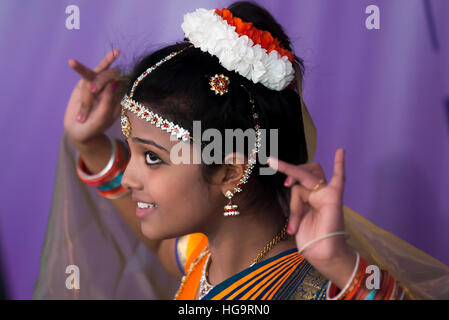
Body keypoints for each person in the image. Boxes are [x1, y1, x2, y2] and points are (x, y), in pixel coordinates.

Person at [34, 2, 449, 300]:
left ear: (232, 171)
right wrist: (89, 143)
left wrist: (340, 264)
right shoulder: (204, 263)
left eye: (153, 158)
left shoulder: (313, 288)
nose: (130, 176)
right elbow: (163, 249)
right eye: (134, 153)